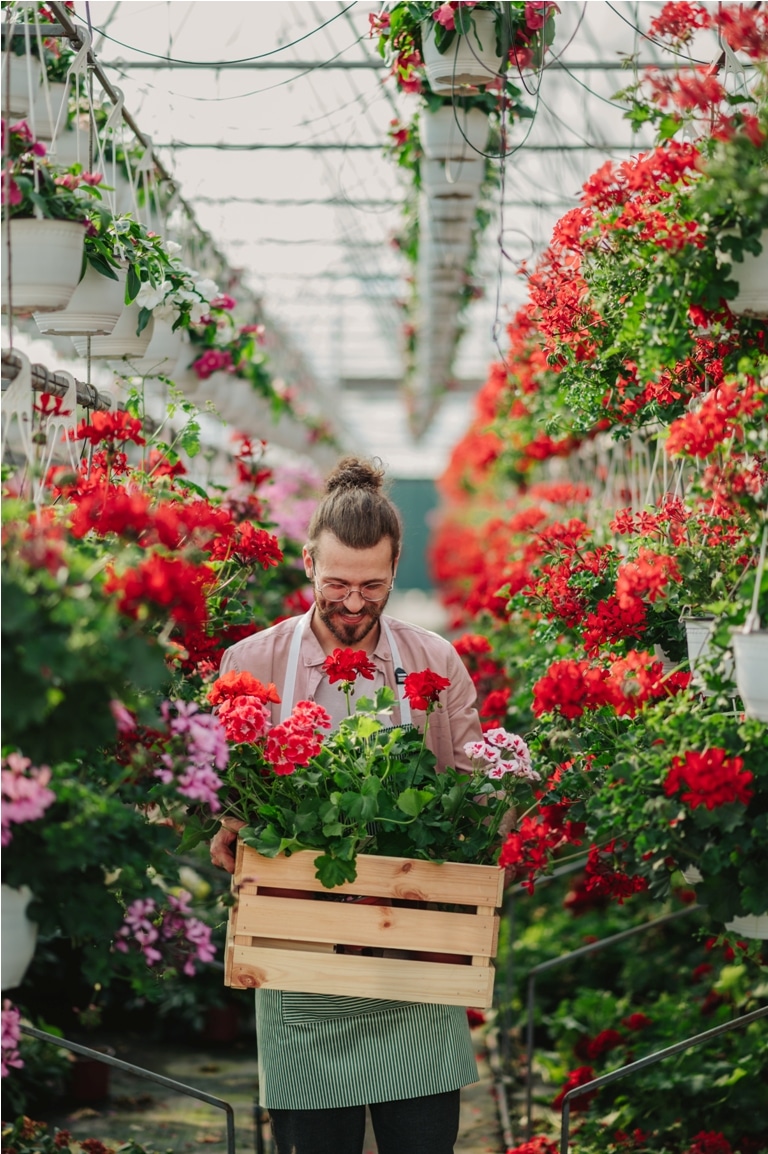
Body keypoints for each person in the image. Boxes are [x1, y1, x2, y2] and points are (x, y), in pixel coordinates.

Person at [210, 455, 485, 1154]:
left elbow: (472, 795)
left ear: (396, 570)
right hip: (301, 960)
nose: (355, 603)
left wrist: (492, 816)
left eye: (373, 585)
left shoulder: (434, 661)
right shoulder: (252, 662)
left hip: (414, 959)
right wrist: (229, 829)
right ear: (306, 562)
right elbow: (231, 798)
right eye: (337, 583)